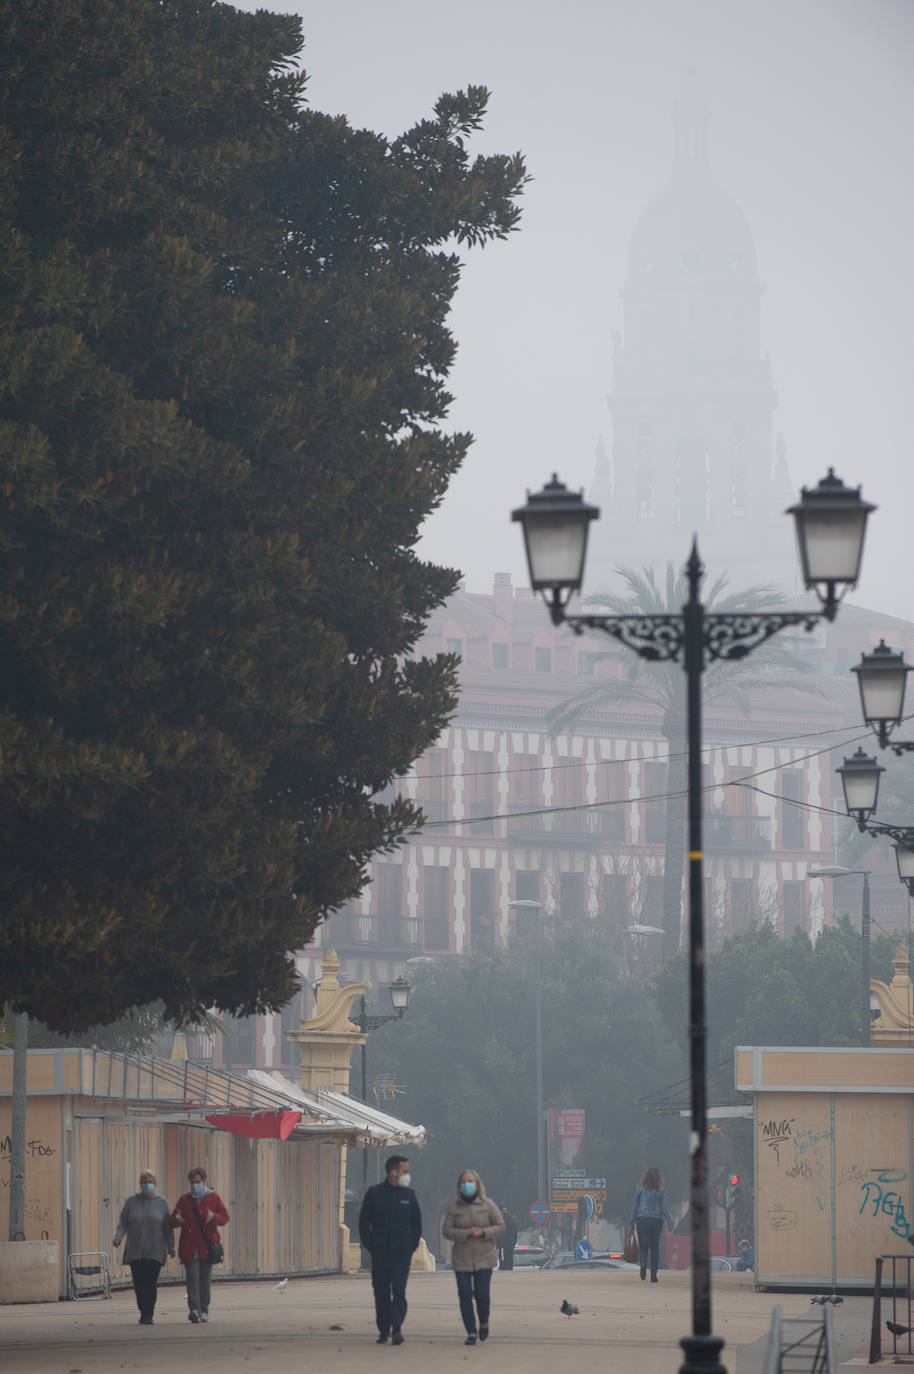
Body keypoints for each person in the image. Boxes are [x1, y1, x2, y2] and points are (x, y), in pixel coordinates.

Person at [358, 1155, 422, 1346]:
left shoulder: (409, 1196)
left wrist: (411, 1246)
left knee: (399, 1290)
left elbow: (416, 1224)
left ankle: (397, 1328)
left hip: (402, 1253)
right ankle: (383, 1329)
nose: (407, 1175)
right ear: (393, 1172)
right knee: (381, 1291)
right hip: (380, 1253)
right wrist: (370, 1245)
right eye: (405, 1171)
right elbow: (364, 1222)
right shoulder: (375, 1193)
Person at [442, 1171, 505, 1345]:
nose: (466, 1184)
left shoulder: (488, 1205)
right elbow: (446, 1231)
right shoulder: (454, 1207)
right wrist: (465, 1234)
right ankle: (471, 1331)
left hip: (484, 1258)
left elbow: (500, 1226)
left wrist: (484, 1232)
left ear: (477, 1185)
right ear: (459, 1186)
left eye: (470, 1181)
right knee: (464, 1295)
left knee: (482, 1295)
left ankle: (483, 1322)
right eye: (463, 1182)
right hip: (462, 1259)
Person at [112, 1169, 174, 1324]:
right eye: (145, 1182)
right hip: (136, 1250)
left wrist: (171, 1247)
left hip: (155, 1250)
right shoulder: (132, 1202)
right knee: (139, 1284)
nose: (148, 1185)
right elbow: (123, 1222)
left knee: (150, 1283)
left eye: (150, 1182)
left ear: (155, 1184)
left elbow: (168, 1227)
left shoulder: (162, 1203)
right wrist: (118, 1237)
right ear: (140, 1184)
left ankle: (148, 1313)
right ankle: (142, 1308)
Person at [170, 1165, 230, 1324]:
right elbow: (173, 1219)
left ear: (204, 1181)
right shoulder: (184, 1200)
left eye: (197, 1181)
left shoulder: (214, 1198)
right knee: (192, 1279)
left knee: (204, 1280)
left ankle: (204, 1309)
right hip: (189, 1247)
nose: (194, 1185)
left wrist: (214, 1217)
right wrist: (177, 1220)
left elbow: (225, 1218)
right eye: (192, 1182)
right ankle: (194, 1310)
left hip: (207, 1246)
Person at [630, 1166, 673, 1283]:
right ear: (658, 1178)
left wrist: (631, 1222)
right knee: (655, 1247)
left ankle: (643, 1264)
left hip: (642, 1219)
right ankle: (654, 1274)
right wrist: (670, 1223)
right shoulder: (660, 1191)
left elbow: (635, 1207)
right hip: (656, 1221)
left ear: (645, 1177)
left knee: (643, 1246)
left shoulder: (640, 1190)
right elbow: (665, 1209)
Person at [498, 1204, 518, 1271]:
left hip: (503, 1246)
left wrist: (498, 1245)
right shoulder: (511, 1219)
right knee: (509, 1261)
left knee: (504, 1263)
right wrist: (513, 1243)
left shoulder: (501, 1219)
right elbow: (515, 1232)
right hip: (510, 1245)